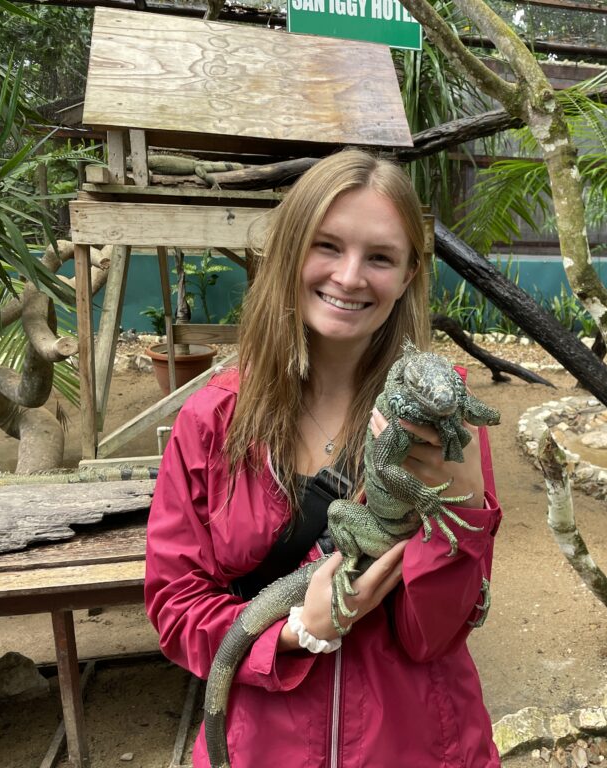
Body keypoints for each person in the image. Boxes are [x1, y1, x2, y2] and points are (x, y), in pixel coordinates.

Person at [144, 149, 502, 768]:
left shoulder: (445, 416)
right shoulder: (212, 419)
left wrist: (466, 505)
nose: (350, 276)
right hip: (266, 745)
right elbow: (175, 604)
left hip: (418, 745)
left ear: (411, 274)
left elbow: (437, 634)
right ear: (288, 252)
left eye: (381, 257)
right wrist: (293, 631)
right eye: (327, 245)